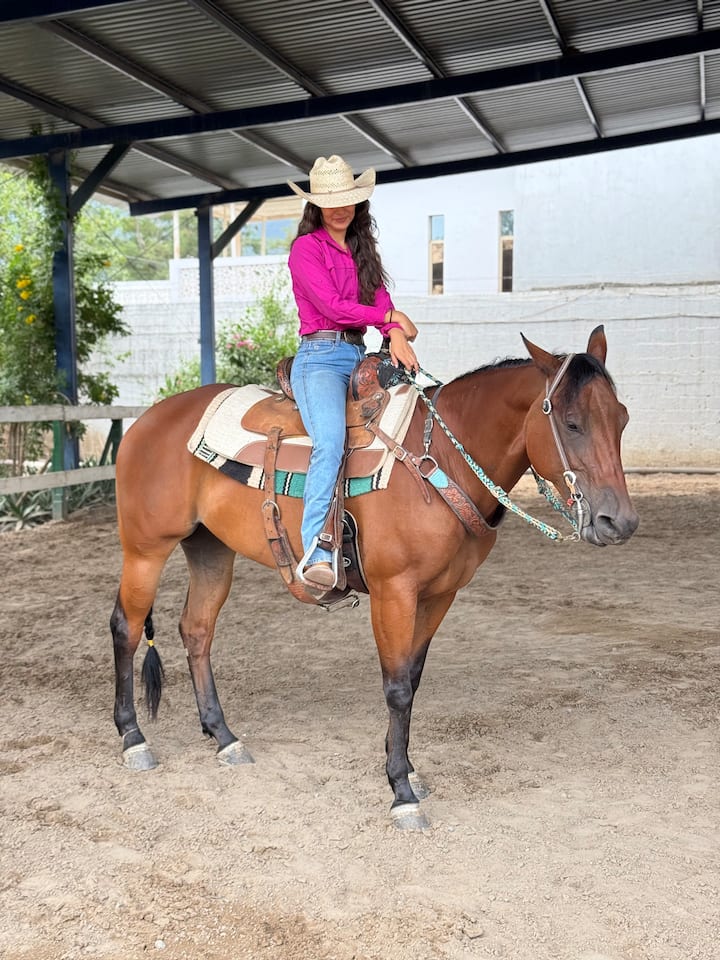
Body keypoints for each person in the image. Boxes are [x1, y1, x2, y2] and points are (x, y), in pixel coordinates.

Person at [286, 154, 419, 590]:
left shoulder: (362, 250)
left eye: (349, 199)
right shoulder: (306, 249)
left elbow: (380, 301)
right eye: (331, 200)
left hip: (359, 354)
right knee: (330, 440)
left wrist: (393, 326)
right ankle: (317, 550)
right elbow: (333, 308)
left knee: (412, 418)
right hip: (320, 357)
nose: (341, 207)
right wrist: (392, 323)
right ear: (317, 206)